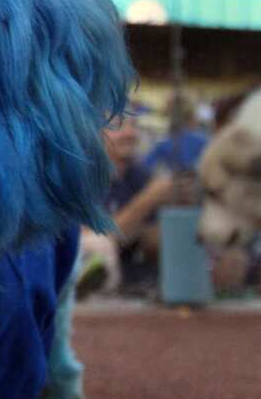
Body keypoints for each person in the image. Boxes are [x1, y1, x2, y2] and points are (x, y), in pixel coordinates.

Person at [77, 112, 195, 296]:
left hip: (133, 278)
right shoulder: (79, 176)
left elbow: (152, 241)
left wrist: (181, 218)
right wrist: (149, 200)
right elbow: (96, 240)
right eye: (119, 126)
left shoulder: (140, 175)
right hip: (84, 281)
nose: (130, 133)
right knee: (97, 245)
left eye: (134, 126)